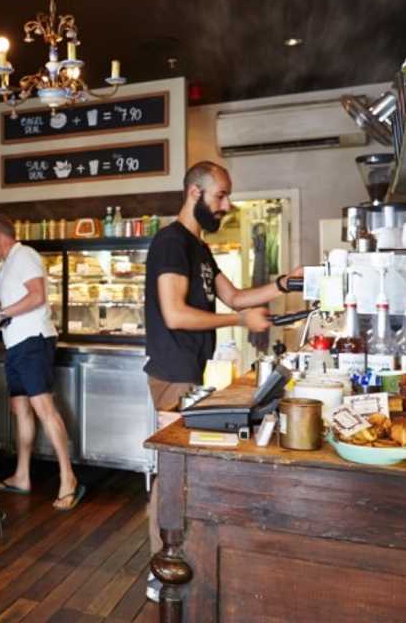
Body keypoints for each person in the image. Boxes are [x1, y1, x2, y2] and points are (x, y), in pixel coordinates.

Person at [143, 161, 303, 602]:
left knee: (177, 472)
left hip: (191, 370)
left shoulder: (198, 248)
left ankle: (168, 557)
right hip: (172, 373)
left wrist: (284, 283)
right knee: (170, 473)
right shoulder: (171, 243)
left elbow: (234, 296)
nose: (227, 206)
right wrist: (239, 319)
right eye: (221, 196)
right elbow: (175, 313)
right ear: (195, 193)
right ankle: (160, 566)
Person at [0, 215, 84, 511]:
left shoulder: (26, 255)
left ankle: (68, 478)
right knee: (20, 408)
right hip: (16, 345)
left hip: (34, 341)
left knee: (43, 408)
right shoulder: (4, 266)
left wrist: (3, 314)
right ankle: (22, 475)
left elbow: (38, 296)